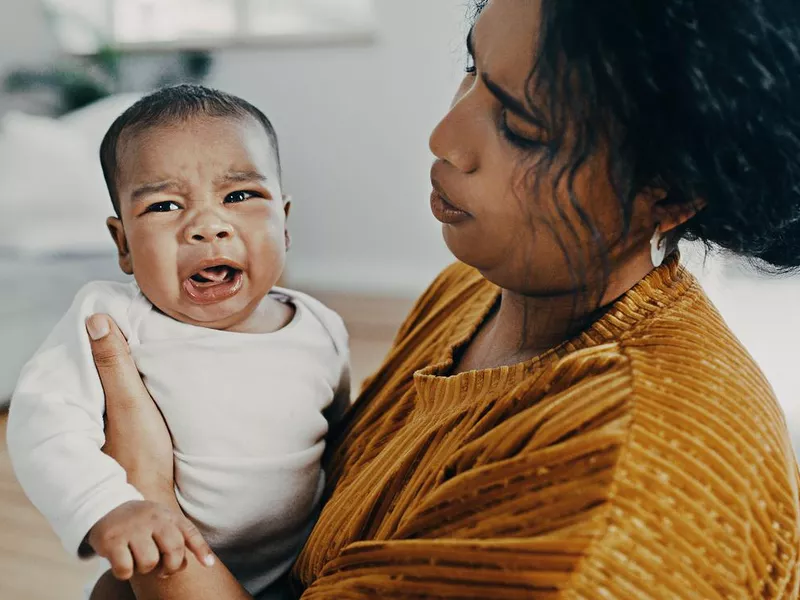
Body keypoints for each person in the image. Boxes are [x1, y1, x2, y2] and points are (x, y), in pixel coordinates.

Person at [80, 0, 800, 597]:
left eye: (522, 126)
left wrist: (149, 493)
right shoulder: (474, 292)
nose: (444, 136)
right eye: (471, 68)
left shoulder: (615, 504)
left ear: (667, 193)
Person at [6, 85, 350, 599]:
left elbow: (342, 438)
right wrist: (108, 505)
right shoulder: (113, 317)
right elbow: (43, 420)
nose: (207, 227)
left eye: (239, 196)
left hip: (294, 567)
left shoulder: (319, 327)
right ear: (122, 244)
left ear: (284, 223)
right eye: (165, 205)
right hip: (158, 567)